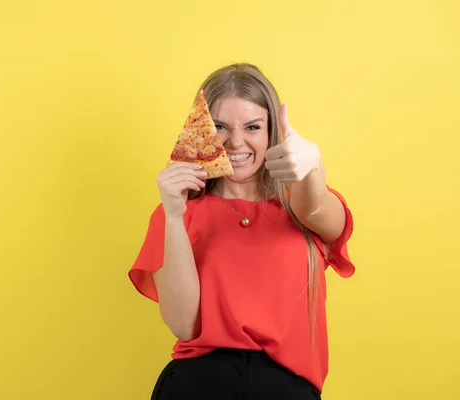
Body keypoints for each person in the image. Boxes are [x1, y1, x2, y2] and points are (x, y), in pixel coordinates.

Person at [128, 63, 355, 400]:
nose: (236, 142)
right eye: (220, 126)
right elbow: (183, 325)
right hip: (197, 387)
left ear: (271, 133)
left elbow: (314, 208)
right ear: (203, 130)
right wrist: (175, 216)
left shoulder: (304, 204)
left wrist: (313, 165)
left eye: (252, 126)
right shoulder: (174, 214)